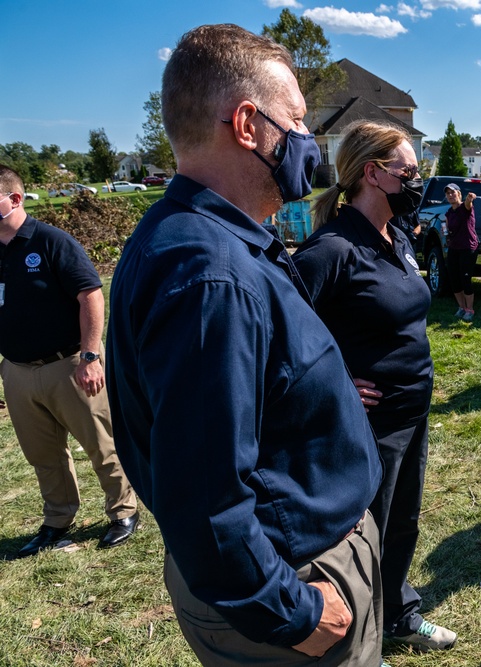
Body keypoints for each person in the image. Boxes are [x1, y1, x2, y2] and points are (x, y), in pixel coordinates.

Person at [105, 25, 384, 666]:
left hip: (295, 562)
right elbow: (205, 498)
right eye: (298, 122)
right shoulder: (211, 275)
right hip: (293, 585)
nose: (308, 142)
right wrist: (292, 612)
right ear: (248, 124)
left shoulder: (203, 238)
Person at [291, 120, 456, 652]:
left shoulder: (398, 236)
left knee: (402, 523)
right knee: (365, 534)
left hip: (412, 411)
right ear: (372, 173)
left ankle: (397, 615)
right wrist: (332, 381)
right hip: (369, 424)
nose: (416, 181)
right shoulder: (332, 248)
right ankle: (361, 641)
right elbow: (280, 332)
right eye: (408, 172)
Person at [0, 165, 138, 559]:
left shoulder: (50, 242)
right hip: (18, 371)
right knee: (43, 455)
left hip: (70, 364)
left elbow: (91, 295)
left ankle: (123, 511)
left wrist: (91, 356)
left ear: (15, 199)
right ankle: (58, 519)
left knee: (101, 443)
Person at [443, 182, 478, 322]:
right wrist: (446, 234)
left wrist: (470, 198)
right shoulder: (449, 213)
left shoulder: (465, 207)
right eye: (448, 193)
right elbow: (447, 230)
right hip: (454, 248)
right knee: (454, 279)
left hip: (468, 248)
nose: (451, 195)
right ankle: (461, 307)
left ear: (459, 194)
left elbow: (469, 203)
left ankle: (470, 310)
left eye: (453, 192)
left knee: (465, 279)